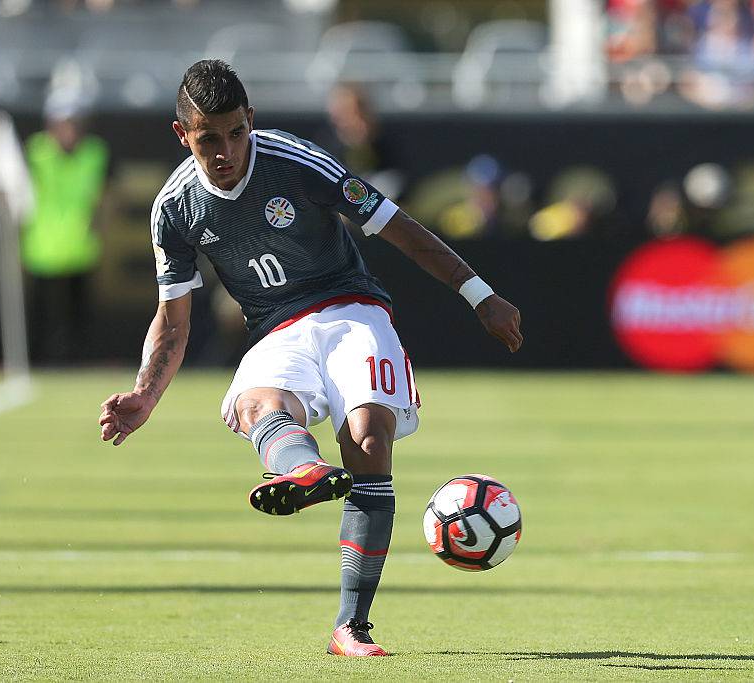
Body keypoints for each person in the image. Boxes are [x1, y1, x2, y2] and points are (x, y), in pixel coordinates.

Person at [98, 60, 522, 656]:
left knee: (369, 434)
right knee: (257, 403)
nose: (225, 151)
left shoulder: (297, 161)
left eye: (235, 132)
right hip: (275, 328)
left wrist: (479, 295)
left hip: (352, 308)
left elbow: (399, 228)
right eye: (208, 139)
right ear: (182, 134)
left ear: (251, 120)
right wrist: (145, 393)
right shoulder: (173, 208)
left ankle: (351, 626)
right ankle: (303, 469)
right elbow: (173, 319)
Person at [23, 89, 109, 363]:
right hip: (43, 246)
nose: (69, 130)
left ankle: (77, 362)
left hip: (81, 245)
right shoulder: (35, 151)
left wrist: (99, 226)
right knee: (43, 313)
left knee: (79, 314)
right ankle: (40, 361)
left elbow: (106, 196)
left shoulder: (95, 152)